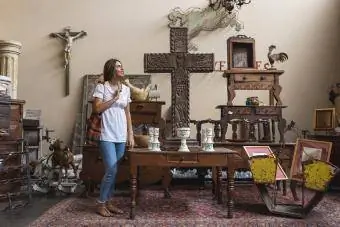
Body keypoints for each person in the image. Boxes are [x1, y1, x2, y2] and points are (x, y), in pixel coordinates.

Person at [92, 58, 134, 217]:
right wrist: (114, 99)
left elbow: (127, 112)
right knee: (111, 169)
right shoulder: (102, 87)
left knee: (114, 171)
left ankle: (109, 202)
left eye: (122, 66)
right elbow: (97, 108)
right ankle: (101, 203)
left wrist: (130, 133)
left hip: (121, 135)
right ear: (111, 69)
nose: (121, 68)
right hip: (106, 134)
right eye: (118, 66)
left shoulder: (126, 89)